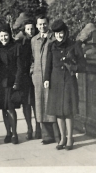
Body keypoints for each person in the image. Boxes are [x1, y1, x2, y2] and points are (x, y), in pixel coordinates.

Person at [44, 19, 87, 150]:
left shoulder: (74, 45)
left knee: (68, 111)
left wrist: (73, 67)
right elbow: (48, 64)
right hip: (55, 82)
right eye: (56, 33)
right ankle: (62, 138)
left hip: (69, 81)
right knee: (58, 112)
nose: (59, 36)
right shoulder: (51, 46)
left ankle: (70, 138)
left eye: (61, 33)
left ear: (65, 32)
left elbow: (83, 65)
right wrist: (46, 79)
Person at [30, 15, 60, 144]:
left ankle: (58, 135)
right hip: (37, 77)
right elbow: (32, 58)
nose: (42, 26)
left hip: (50, 77)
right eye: (40, 24)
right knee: (40, 105)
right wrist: (32, 72)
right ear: (37, 26)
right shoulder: (33, 40)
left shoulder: (53, 39)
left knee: (51, 105)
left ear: (48, 24)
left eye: (44, 24)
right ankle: (46, 136)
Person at [0, 23, 23, 144]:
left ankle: (14, 133)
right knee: (3, 109)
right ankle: (8, 133)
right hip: (0, 82)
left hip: (11, 82)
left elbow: (20, 67)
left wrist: (17, 82)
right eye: (1, 36)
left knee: (11, 108)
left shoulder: (16, 47)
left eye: (6, 35)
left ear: (9, 35)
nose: (4, 38)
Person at [17, 19, 41, 140]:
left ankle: (38, 127)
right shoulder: (21, 43)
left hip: (35, 75)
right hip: (25, 77)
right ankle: (29, 128)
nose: (30, 31)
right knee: (26, 103)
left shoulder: (38, 40)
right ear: (24, 30)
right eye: (28, 29)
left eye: (32, 29)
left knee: (36, 103)